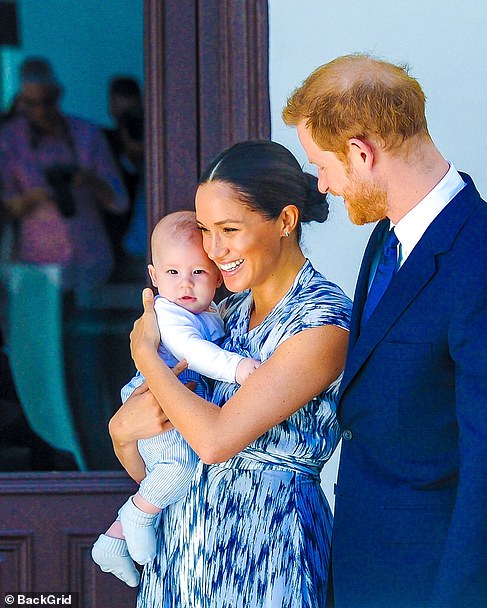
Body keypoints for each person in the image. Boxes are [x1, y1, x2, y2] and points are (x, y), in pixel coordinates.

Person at [282, 53, 487, 608]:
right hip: (364, 571)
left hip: (434, 585)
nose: (323, 186)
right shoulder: (386, 239)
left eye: (321, 165)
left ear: (361, 152)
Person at [108, 140, 352, 607]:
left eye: (229, 229)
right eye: (204, 229)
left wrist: (144, 354)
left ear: (285, 221)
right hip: (183, 554)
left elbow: (215, 441)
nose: (213, 249)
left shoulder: (322, 321)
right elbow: (161, 467)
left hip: (268, 552)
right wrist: (121, 433)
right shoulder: (226, 313)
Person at [91, 210, 260, 587]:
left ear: (218, 275)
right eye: (172, 273)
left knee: (173, 467)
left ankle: (114, 539)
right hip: (154, 397)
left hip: (174, 400)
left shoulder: (212, 311)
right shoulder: (168, 314)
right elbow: (193, 352)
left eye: (198, 273)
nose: (185, 283)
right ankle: (136, 514)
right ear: (153, 276)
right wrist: (236, 368)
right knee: (178, 467)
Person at [0, 57, 128, 291]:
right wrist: (33, 197)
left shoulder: (87, 135)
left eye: (47, 102)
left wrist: (88, 179)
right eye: (31, 103)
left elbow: (120, 201)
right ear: (21, 101)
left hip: (90, 264)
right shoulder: (9, 141)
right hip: (35, 270)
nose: (40, 111)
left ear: (59, 95)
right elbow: (5, 208)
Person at [102, 76, 146, 279]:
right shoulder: (103, 144)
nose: (128, 123)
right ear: (111, 110)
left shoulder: (159, 137)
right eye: (122, 118)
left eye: (133, 116)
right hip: (115, 242)